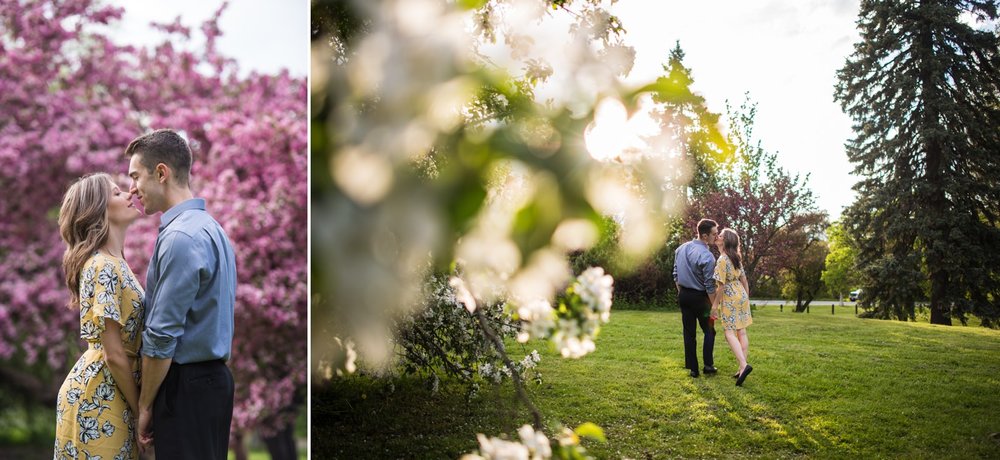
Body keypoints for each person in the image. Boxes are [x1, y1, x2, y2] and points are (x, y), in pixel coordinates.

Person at [126, 129, 237, 459]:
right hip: (212, 384)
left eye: (135, 176)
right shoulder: (212, 229)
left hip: (186, 387)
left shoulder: (181, 238)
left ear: (161, 173)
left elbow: (162, 336)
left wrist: (145, 405)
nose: (131, 189)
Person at [54, 173, 145, 459]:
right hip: (100, 395)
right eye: (117, 193)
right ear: (98, 210)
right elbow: (114, 353)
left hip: (114, 390)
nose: (130, 193)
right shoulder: (102, 265)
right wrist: (142, 408)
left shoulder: (117, 263)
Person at [673, 218, 719, 378]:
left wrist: (682, 292)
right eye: (714, 234)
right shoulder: (707, 257)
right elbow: (709, 286)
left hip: (684, 296)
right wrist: (714, 307)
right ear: (705, 236)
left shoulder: (680, 248)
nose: (717, 236)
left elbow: (675, 275)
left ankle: (693, 369)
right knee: (710, 330)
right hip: (701, 299)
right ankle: (708, 366)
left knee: (689, 333)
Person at [710, 228, 754, 386]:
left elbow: (720, 287)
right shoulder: (736, 258)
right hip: (741, 295)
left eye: (720, 235)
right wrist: (746, 298)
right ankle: (741, 369)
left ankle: (743, 365)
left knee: (729, 332)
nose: (717, 237)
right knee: (741, 331)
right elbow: (744, 280)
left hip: (730, 297)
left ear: (725, 241)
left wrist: (714, 306)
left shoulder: (722, 259)